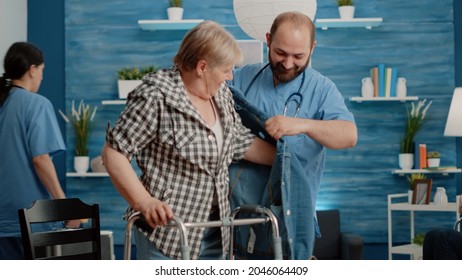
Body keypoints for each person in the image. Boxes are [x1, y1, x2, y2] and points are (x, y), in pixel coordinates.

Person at [102, 20, 275, 260]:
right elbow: (114, 153)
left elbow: (238, 142)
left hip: (217, 233)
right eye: (226, 69)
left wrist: (284, 158)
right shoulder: (156, 95)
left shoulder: (221, 95)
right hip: (169, 235)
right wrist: (144, 201)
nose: (230, 76)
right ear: (202, 67)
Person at [228, 11, 357, 259]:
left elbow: (348, 135)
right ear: (268, 40)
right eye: (280, 53)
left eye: (299, 56)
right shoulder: (242, 78)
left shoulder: (322, 89)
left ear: (312, 48)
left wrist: (302, 125)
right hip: (240, 216)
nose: (288, 64)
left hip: (289, 217)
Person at [0, 42, 80, 260]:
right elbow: (41, 159)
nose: (42, 77)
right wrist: (65, 207)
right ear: (32, 69)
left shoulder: (3, 103)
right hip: (29, 218)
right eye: (42, 71)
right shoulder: (36, 104)